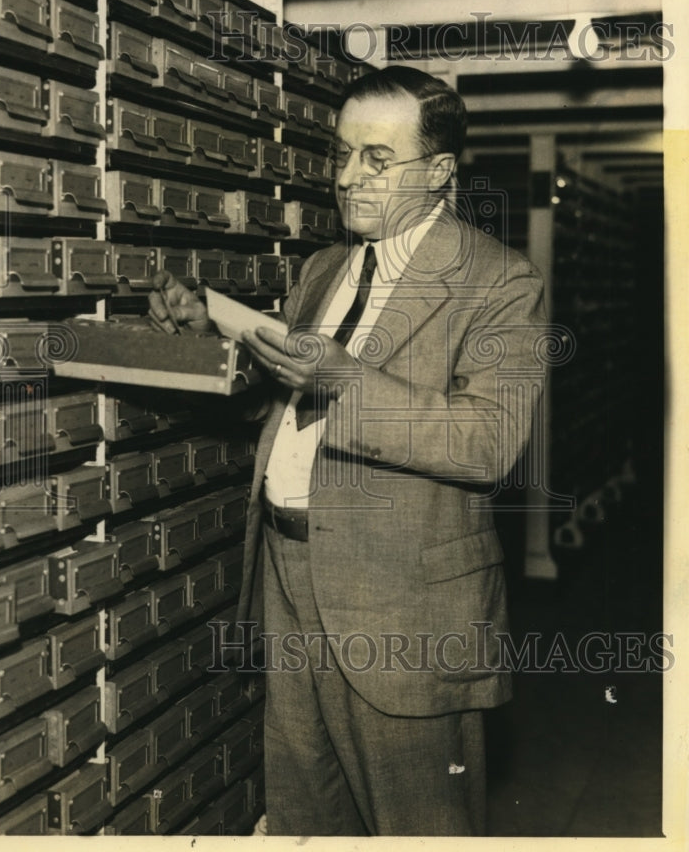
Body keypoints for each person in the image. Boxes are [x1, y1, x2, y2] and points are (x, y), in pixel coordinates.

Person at [148, 66, 547, 836]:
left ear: (438, 173)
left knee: (419, 823)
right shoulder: (323, 269)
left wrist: (345, 381)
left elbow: (488, 441)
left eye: (376, 157)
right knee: (307, 815)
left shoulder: (500, 282)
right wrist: (208, 337)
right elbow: (291, 413)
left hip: (405, 603)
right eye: (340, 153)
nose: (346, 177)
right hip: (290, 576)